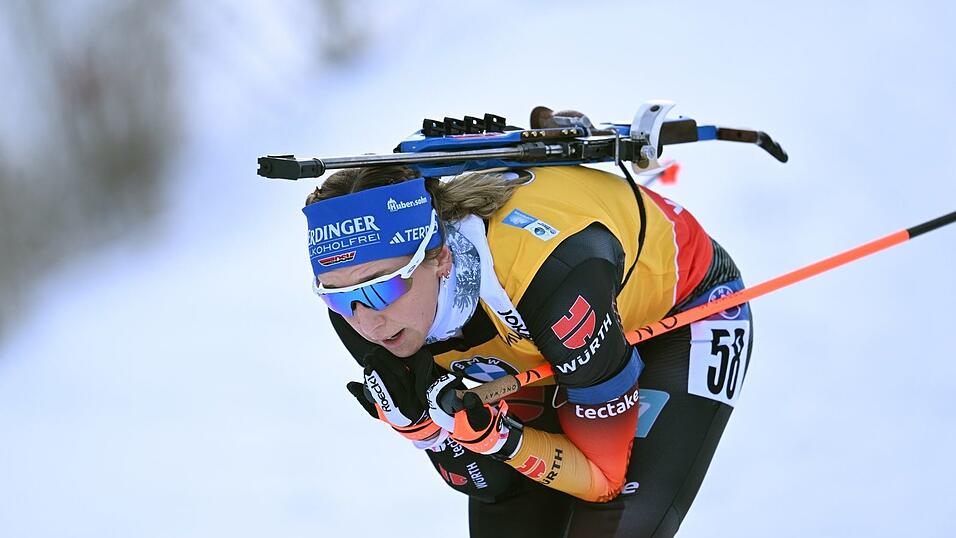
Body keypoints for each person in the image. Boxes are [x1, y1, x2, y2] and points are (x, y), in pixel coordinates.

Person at [301, 114, 754, 537]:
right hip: (539, 343)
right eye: (337, 297)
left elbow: (602, 479)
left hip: (683, 311)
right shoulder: (362, 314)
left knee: (615, 522)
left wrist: (500, 437)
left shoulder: (549, 277)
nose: (366, 320)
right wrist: (429, 431)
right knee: (508, 504)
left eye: (381, 288)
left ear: (439, 258)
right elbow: (489, 486)